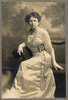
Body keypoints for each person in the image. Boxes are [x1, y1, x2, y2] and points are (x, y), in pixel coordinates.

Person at [2, 12, 63, 98]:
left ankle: (31, 92)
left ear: (38, 22)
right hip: (35, 57)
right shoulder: (30, 32)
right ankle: (23, 91)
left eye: (35, 20)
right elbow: (26, 42)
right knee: (24, 67)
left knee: (23, 64)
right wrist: (20, 46)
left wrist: (54, 63)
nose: (33, 23)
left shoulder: (43, 33)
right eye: (30, 21)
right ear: (28, 22)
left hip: (43, 57)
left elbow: (50, 49)